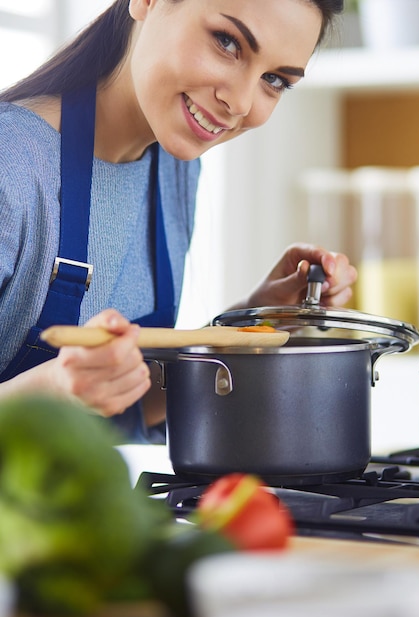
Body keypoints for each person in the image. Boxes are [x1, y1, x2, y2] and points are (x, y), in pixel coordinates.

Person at [0, 0, 357, 443]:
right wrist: (51, 391)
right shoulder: (10, 166)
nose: (240, 102)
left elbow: (127, 415)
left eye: (274, 80)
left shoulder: (174, 167)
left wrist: (251, 328)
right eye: (227, 42)